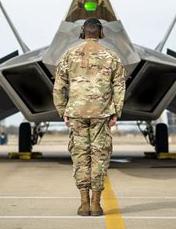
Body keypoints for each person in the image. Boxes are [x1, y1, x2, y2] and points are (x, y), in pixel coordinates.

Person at [53, 18, 126, 216]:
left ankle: (84, 203)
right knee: (99, 156)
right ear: (101, 33)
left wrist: (63, 111)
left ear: (82, 32)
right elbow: (119, 85)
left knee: (80, 157)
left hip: (76, 114)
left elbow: (59, 86)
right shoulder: (111, 56)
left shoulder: (69, 55)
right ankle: (96, 204)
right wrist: (116, 111)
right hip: (101, 113)